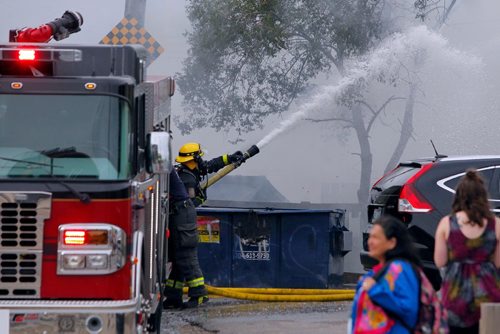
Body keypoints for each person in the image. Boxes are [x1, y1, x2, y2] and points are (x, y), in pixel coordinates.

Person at [434, 169, 500, 334]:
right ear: (483, 196)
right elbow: (499, 263)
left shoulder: (447, 223)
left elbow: (440, 262)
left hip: (454, 298)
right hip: (487, 298)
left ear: (459, 196)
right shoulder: (496, 224)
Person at [350, 216, 420, 333]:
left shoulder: (401, 270)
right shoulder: (375, 273)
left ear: (392, 242)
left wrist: (376, 291)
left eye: (376, 237)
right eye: (370, 236)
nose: (370, 242)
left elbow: (410, 312)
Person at [163, 168, 208, 309]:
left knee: (185, 255)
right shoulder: (171, 168)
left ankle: (199, 294)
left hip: (182, 213)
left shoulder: (165, 166)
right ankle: (173, 296)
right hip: (177, 213)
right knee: (177, 258)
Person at [175, 142, 243, 207]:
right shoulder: (189, 181)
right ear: (195, 160)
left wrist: (229, 158)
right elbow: (188, 207)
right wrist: (200, 199)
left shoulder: (188, 169)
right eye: (200, 158)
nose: (201, 161)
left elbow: (210, 165)